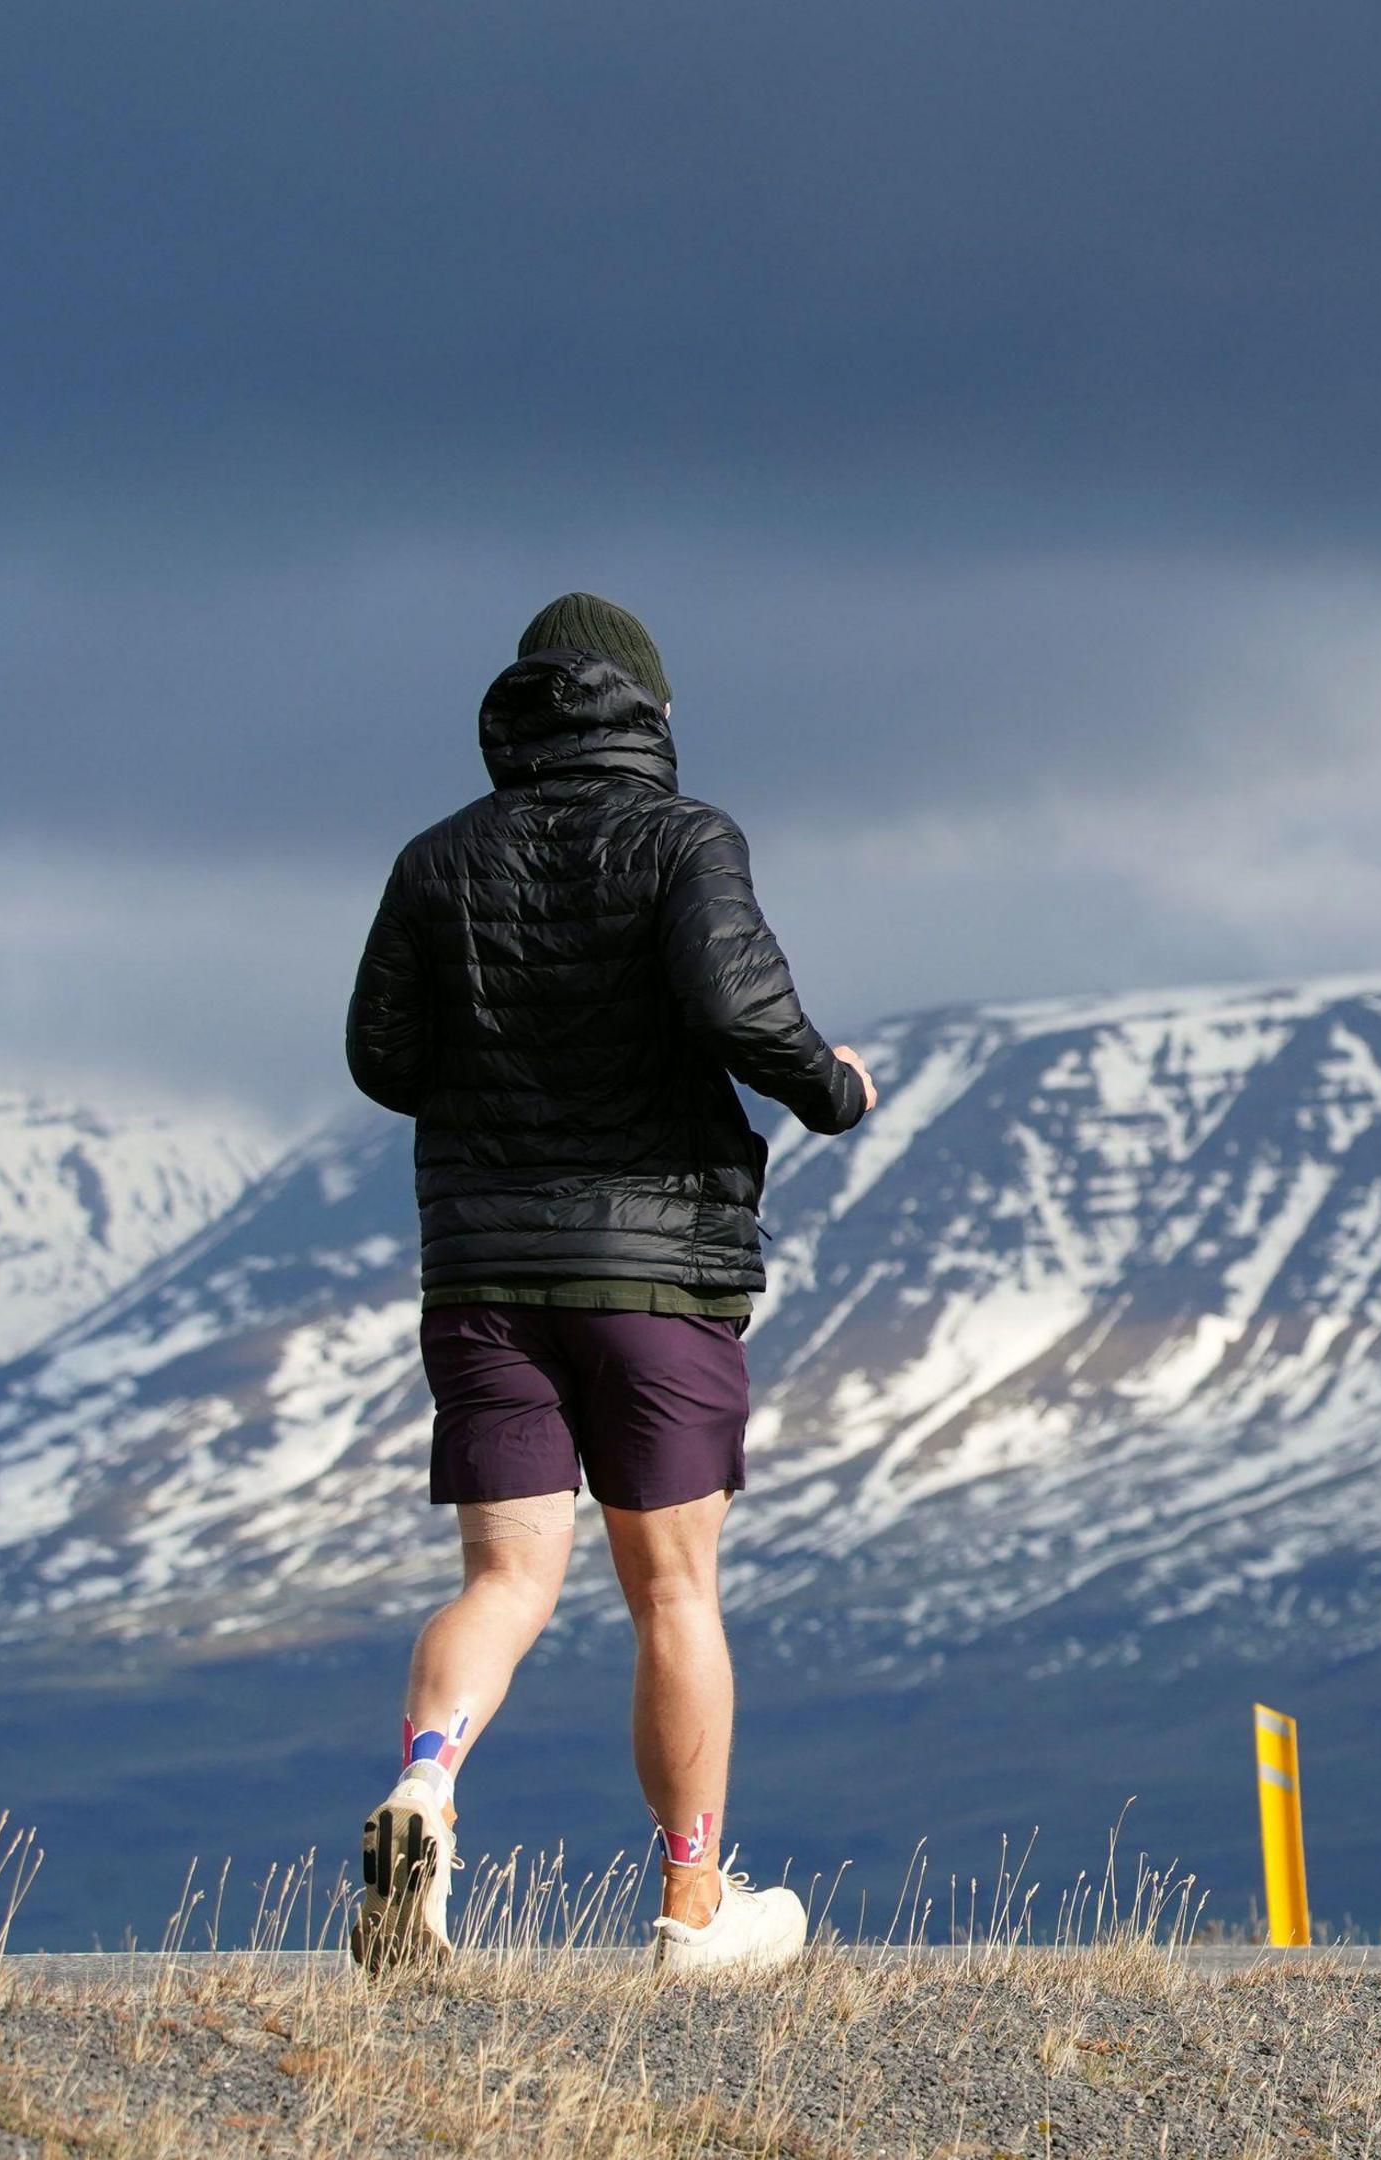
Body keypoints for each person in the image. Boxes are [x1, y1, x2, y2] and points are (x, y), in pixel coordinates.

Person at [340, 593, 877, 1979]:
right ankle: (694, 1908)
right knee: (673, 1592)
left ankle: (426, 1787)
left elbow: (384, 1058)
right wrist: (832, 1087)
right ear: (651, 711)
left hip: (484, 1271)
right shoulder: (686, 839)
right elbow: (732, 1005)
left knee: (508, 1574)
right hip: (653, 1273)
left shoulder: (434, 858)